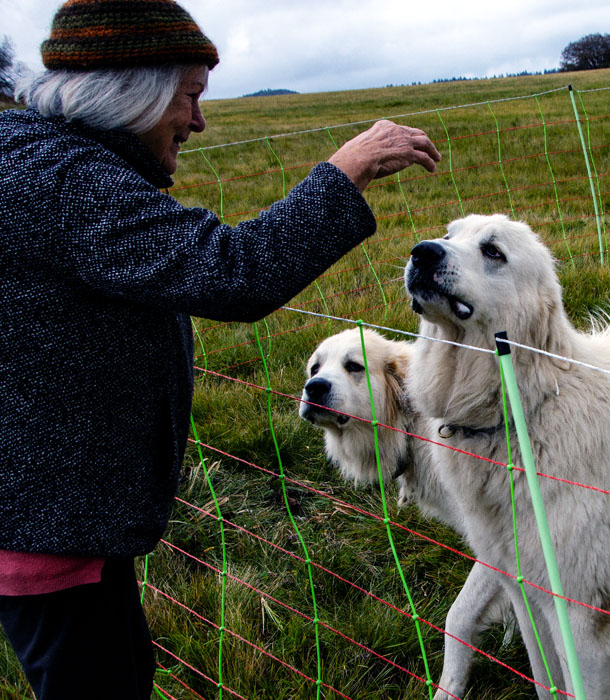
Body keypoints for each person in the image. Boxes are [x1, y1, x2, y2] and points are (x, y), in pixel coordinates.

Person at [0, 2, 441, 698]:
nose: (198, 121)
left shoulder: (32, 157)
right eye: (189, 96)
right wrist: (346, 170)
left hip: (59, 516)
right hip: (49, 529)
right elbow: (232, 272)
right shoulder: (57, 180)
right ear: (132, 95)